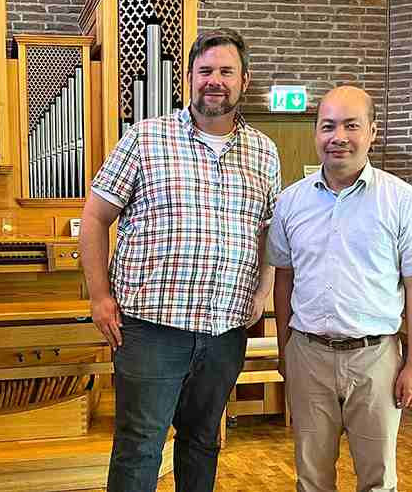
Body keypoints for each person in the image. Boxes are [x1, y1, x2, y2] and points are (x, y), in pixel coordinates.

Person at [79, 28, 281, 492]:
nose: (215, 80)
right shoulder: (145, 138)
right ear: (188, 78)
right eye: (205, 70)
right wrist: (99, 296)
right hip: (151, 329)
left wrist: (264, 289)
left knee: (203, 441)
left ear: (244, 80)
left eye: (226, 71)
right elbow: (94, 217)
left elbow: (269, 229)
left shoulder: (264, 152)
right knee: (139, 446)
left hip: (225, 329)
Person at [268, 85, 412, 492]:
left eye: (351, 125)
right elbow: (284, 279)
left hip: (375, 360)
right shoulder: (290, 202)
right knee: (311, 479)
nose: (338, 137)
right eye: (328, 126)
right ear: (316, 133)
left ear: (372, 132)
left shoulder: (403, 200)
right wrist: (285, 351)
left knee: (378, 479)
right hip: (308, 356)